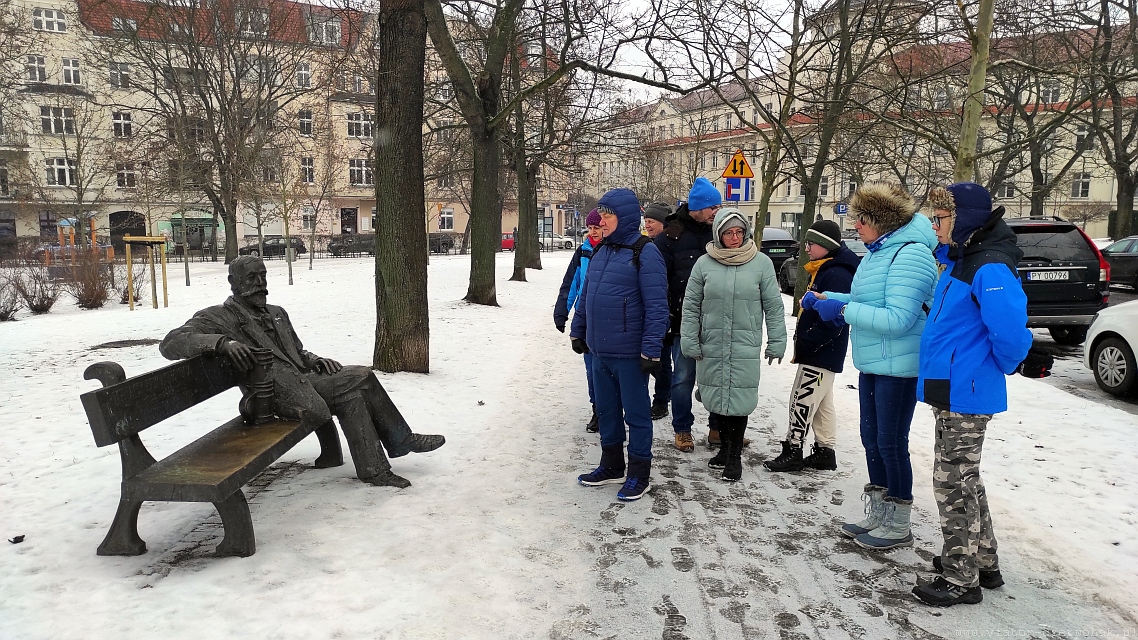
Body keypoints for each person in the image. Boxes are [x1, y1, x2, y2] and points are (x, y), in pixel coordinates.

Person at [159, 256, 445, 489]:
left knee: (352, 393)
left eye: (263, 276)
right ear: (233, 283)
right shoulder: (219, 317)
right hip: (272, 398)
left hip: (304, 383)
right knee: (360, 376)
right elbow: (171, 342)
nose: (260, 284)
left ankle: (374, 469)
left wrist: (316, 360)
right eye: (251, 278)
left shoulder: (277, 312)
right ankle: (401, 440)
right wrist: (222, 342)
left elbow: (296, 351)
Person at [911, 183, 1031, 607]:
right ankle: (983, 561)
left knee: (952, 483)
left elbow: (1012, 334)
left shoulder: (990, 266)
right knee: (965, 478)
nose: (935, 226)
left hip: (968, 388)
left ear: (963, 219)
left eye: (940, 218)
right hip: (953, 387)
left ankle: (961, 578)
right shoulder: (960, 260)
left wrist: (994, 366)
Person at [805, 183, 938, 550]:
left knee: (891, 443)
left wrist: (844, 311)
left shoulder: (911, 256)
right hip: (875, 361)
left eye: (860, 220)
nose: (856, 227)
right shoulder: (878, 254)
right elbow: (869, 300)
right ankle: (879, 513)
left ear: (880, 220)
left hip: (901, 365)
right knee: (871, 439)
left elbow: (898, 318)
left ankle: (898, 522)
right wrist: (829, 298)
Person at [571, 188, 669, 502]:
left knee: (636, 415)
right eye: (601, 213)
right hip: (599, 350)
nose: (602, 219)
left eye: (608, 214)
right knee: (608, 412)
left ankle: (639, 473)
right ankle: (611, 465)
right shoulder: (602, 250)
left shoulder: (645, 251)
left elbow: (657, 306)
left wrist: (651, 349)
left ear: (625, 216)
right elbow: (587, 295)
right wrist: (578, 328)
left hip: (629, 353)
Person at [680, 208, 786, 481]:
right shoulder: (704, 263)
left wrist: (777, 341)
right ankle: (724, 449)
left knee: (739, 399)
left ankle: (734, 458)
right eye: (729, 232)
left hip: (744, 343)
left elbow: (774, 306)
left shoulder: (761, 263)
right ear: (718, 234)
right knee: (716, 396)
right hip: (712, 342)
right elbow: (690, 306)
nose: (735, 237)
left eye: (739, 231)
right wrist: (690, 340)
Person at [765, 219, 860, 473]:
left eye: (811, 243)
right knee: (822, 404)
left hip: (821, 352)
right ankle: (825, 451)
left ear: (825, 245)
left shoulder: (836, 273)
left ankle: (793, 449)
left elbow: (833, 319)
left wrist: (808, 339)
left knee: (802, 399)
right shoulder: (828, 268)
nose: (806, 248)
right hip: (824, 352)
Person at [654, 177, 732, 453]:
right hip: (681, 322)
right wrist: (665, 318)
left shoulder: (722, 233)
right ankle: (683, 430)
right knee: (683, 378)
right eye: (713, 206)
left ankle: (716, 429)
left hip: (715, 322)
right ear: (698, 207)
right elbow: (659, 281)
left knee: (716, 378)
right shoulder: (670, 237)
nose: (717, 211)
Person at [555, 209, 605, 433]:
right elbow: (571, 283)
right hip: (585, 318)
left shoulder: (613, 249)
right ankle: (598, 410)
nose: (593, 233)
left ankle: (612, 408)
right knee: (591, 368)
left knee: (609, 369)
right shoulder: (583, 252)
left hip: (609, 317)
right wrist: (562, 312)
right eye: (590, 228)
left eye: (597, 228)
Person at [643, 201, 674, 420]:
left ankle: (662, 401)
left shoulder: (671, 247)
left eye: (651, 221)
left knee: (662, 362)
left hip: (667, 312)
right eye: (645, 220)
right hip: (646, 312)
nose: (647, 224)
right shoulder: (642, 245)